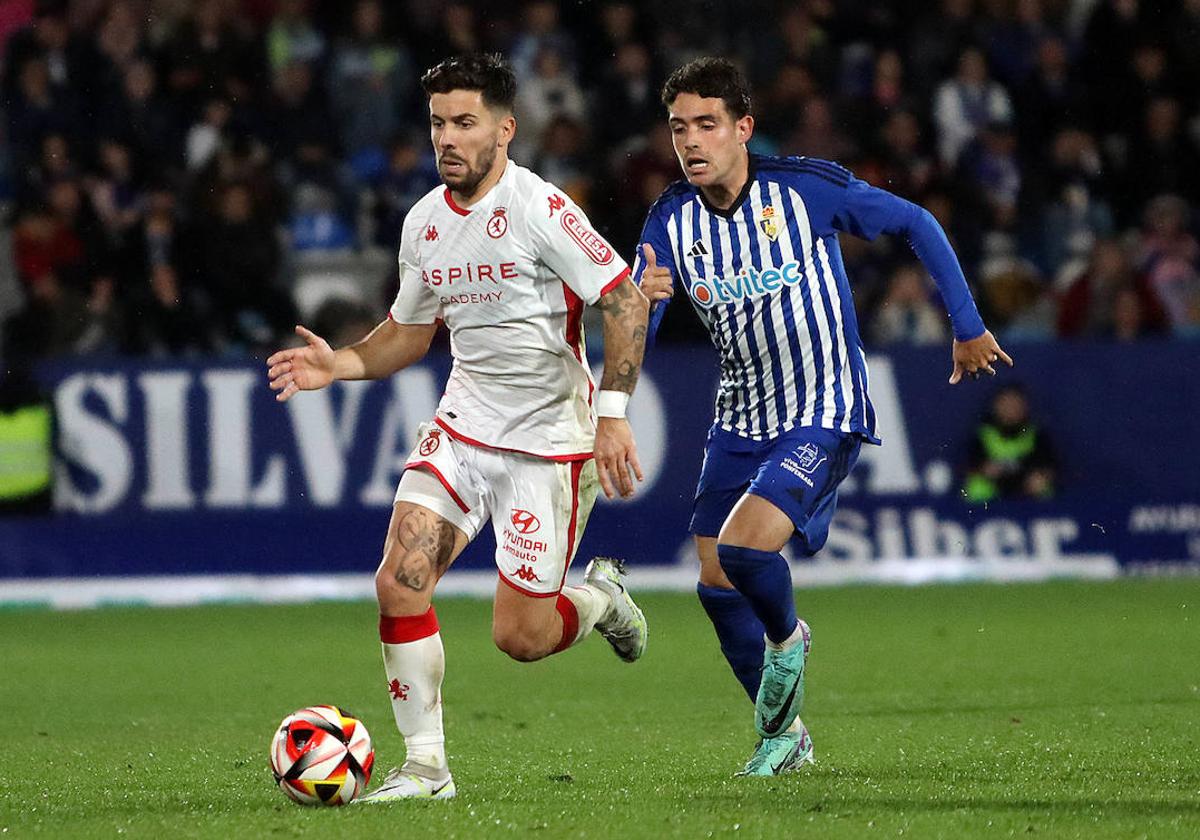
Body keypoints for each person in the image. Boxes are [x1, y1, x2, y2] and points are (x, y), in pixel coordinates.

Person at [265, 54, 650, 801]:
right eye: (439, 122)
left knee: (521, 638)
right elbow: (407, 334)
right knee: (399, 583)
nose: (447, 137)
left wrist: (613, 416)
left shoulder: (542, 209)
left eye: (465, 122)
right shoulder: (424, 224)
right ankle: (427, 769)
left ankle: (601, 599)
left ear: (505, 130)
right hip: (463, 428)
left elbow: (625, 300)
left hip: (548, 443)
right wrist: (338, 366)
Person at [634, 58, 1012, 777]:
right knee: (715, 584)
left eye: (707, 125)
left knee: (747, 551)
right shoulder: (669, 218)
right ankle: (786, 737)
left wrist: (965, 323)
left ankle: (789, 638)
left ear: (743, 128)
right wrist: (632, 315)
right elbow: (644, 322)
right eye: (679, 127)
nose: (690, 141)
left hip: (823, 404)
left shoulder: (803, 188)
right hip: (738, 416)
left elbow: (915, 221)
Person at [963, 384, 1056, 503]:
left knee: (1043, 486)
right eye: (1006, 405)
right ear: (996, 406)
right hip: (993, 491)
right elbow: (969, 467)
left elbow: (1051, 469)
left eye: (1015, 405)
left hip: (1026, 492)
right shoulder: (982, 435)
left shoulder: (1037, 436)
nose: (1010, 409)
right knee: (977, 487)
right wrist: (985, 470)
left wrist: (1041, 476)